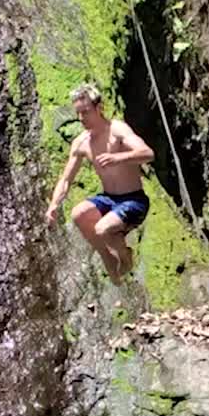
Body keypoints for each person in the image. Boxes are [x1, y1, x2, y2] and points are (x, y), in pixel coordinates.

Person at [44, 83, 155, 285]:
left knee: (102, 229)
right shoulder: (81, 142)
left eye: (85, 112)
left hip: (134, 200)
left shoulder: (117, 130)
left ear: (99, 108)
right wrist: (53, 205)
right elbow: (66, 179)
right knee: (78, 213)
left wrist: (119, 158)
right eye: (78, 113)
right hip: (109, 198)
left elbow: (148, 154)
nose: (81, 118)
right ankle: (108, 258)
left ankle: (125, 255)